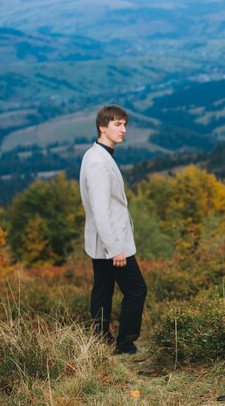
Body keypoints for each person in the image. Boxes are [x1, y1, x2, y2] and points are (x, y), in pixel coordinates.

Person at [79, 105, 147, 355]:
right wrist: (115, 248)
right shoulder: (98, 162)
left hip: (100, 243)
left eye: (125, 124)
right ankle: (125, 343)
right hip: (111, 242)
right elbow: (100, 210)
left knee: (103, 289)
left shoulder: (94, 154)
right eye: (117, 124)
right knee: (137, 290)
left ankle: (100, 338)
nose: (123, 130)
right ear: (102, 126)